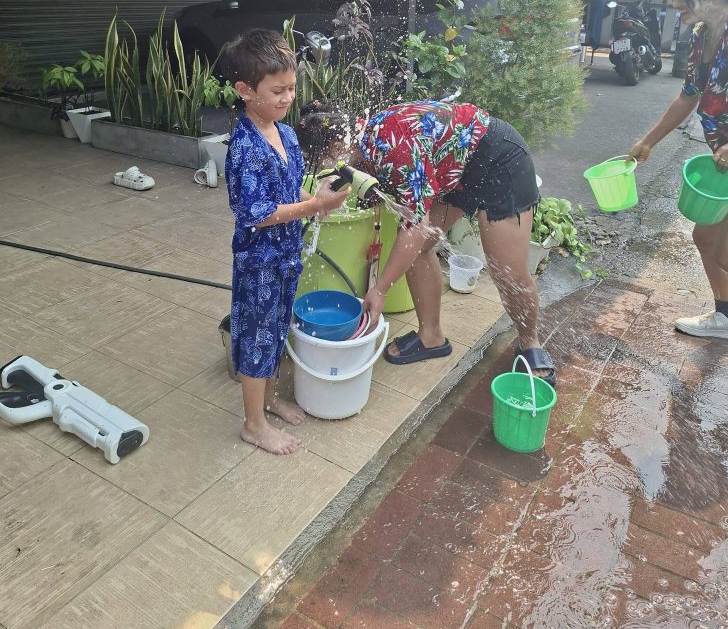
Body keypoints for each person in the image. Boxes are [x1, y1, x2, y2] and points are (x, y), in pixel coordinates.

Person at [297, 99, 555, 384]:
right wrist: (324, 194)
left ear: (336, 147)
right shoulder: (361, 137)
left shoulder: (391, 144)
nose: (325, 165)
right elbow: (352, 173)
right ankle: (431, 337)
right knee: (416, 250)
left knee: (507, 272)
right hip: (460, 170)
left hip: (500, 160)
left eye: (322, 160)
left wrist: (380, 290)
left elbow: (416, 225)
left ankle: (530, 342)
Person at [223, 29, 347, 455]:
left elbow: (292, 191)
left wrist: (317, 199)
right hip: (259, 261)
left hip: (286, 255)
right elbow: (256, 213)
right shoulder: (244, 147)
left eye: (292, 88)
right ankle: (253, 424)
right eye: (277, 91)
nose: (288, 98)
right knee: (257, 337)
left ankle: (270, 399)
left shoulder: (286, 135)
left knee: (277, 328)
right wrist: (314, 205)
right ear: (245, 90)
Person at [629, 0, 728, 341]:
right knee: (706, 237)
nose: (673, 2)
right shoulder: (703, 35)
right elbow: (688, 95)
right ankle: (726, 317)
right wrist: (647, 142)